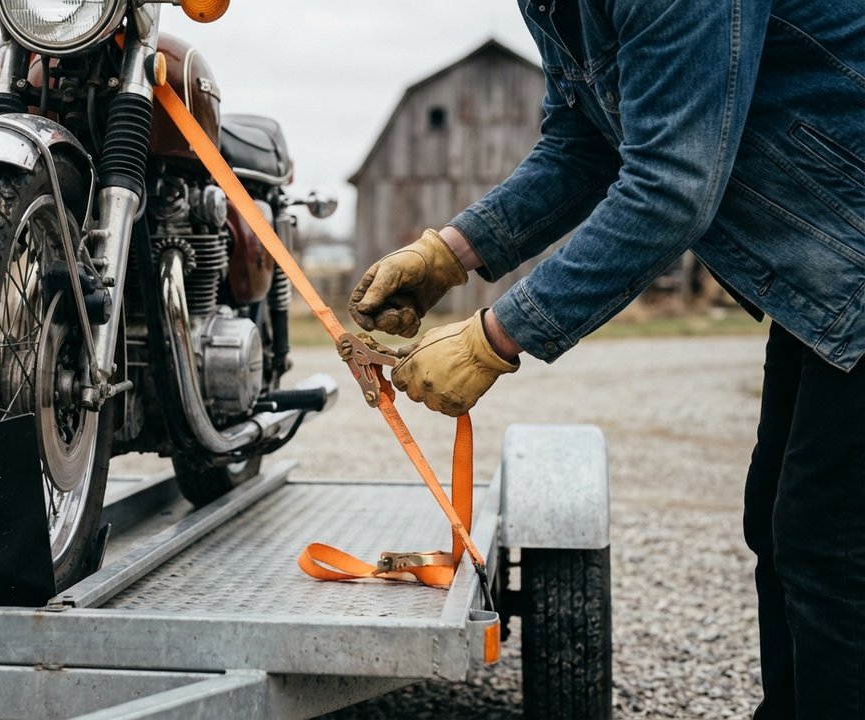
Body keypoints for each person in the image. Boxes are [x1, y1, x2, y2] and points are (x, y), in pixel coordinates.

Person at [348, 2, 865, 717]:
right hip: (826, 273)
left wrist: (495, 337)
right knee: (782, 526)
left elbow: (670, 188)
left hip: (850, 251)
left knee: (831, 545)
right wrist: (449, 255)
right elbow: (582, 147)